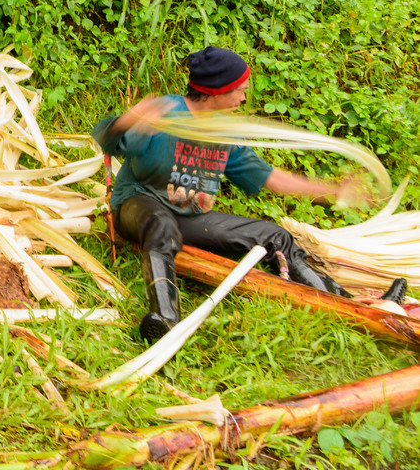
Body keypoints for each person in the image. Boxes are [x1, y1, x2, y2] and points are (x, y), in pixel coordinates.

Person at [93, 46, 407, 342]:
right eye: (241, 88)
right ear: (218, 89)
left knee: (276, 237)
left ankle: (351, 305)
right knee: (161, 224)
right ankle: (164, 317)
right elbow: (106, 138)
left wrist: (332, 190)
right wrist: (129, 120)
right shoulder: (165, 113)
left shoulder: (224, 133)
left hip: (187, 218)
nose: (245, 95)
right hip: (137, 206)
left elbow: (270, 178)